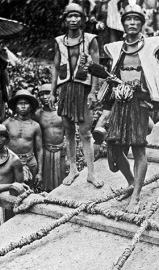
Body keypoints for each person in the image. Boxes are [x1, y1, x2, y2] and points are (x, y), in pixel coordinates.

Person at [102, 3, 159, 213]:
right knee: (113, 148)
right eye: (128, 20)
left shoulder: (153, 47)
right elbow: (110, 78)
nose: (132, 23)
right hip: (119, 104)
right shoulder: (116, 49)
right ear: (123, 24)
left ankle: (137, 196)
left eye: (136, 20)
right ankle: (132, 182)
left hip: (140, 104)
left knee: (138, 149)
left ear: (142, 23)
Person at [50, 3, 104, 188]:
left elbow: (96, 67)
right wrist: (52, 92)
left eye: (77, 16)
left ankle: (91, 172)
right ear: (65, 19)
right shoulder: (59, 41)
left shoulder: (90, 40)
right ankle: (73, 169)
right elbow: (56, 68)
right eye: (69, 16)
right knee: (68, 130)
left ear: (83, 19)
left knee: (86, 131)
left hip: (83, 89)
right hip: (65, 89)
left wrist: (94, 92)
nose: (73, 20)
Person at [3, 90, 43, 188]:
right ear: (15, 106)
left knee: (30, 190)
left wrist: (40, 172)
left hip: (30, 161)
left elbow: (39, 149)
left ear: (31, 106)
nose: (23, 106)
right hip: (12, 161)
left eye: (26, 103)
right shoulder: (7, 123)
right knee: (11, 189)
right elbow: (0, 145)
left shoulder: (35, 126)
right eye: (20, 103)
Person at [35, 84, 67, 192]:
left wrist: (67, 148)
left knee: (62, 179)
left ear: (55, 94)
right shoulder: (37, 114)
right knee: (46, 182)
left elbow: (70, 132)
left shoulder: (63, 111)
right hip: (45, 150)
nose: (44, 97)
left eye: (47, 93)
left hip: (61, 149)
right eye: (41, 95)